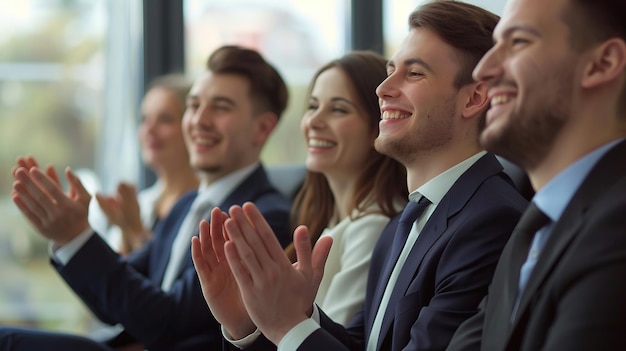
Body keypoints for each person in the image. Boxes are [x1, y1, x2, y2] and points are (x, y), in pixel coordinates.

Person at [192, 1, 528, 350]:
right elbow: (358, 345)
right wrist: (250, 324)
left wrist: (287, 323)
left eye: (413, 73)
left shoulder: (491, 221)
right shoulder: (403, 223)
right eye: (390, 69)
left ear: (474, 98)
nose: (383, 88)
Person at [7, 45, 292, 351]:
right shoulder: (187, 205)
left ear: (262, 129)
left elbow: (167, 321)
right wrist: (69, 239)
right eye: (194, 105)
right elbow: (116, 305)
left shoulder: (262, 216)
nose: (199, 120)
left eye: (221, 107)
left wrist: (78, 238)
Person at [446, 0, 626, 350]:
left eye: (518, 42)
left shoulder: (617, 224)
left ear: (602, 64)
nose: (483, 69)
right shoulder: (534, 228)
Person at [90, 74, 199, 256]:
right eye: (144, 119)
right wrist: (125, 229)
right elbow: (120, 281)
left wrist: (134, 229)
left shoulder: (208, 208)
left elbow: (163, 283)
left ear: (191, 125)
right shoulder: (142, 203)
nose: (149, 129)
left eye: (165, 119)